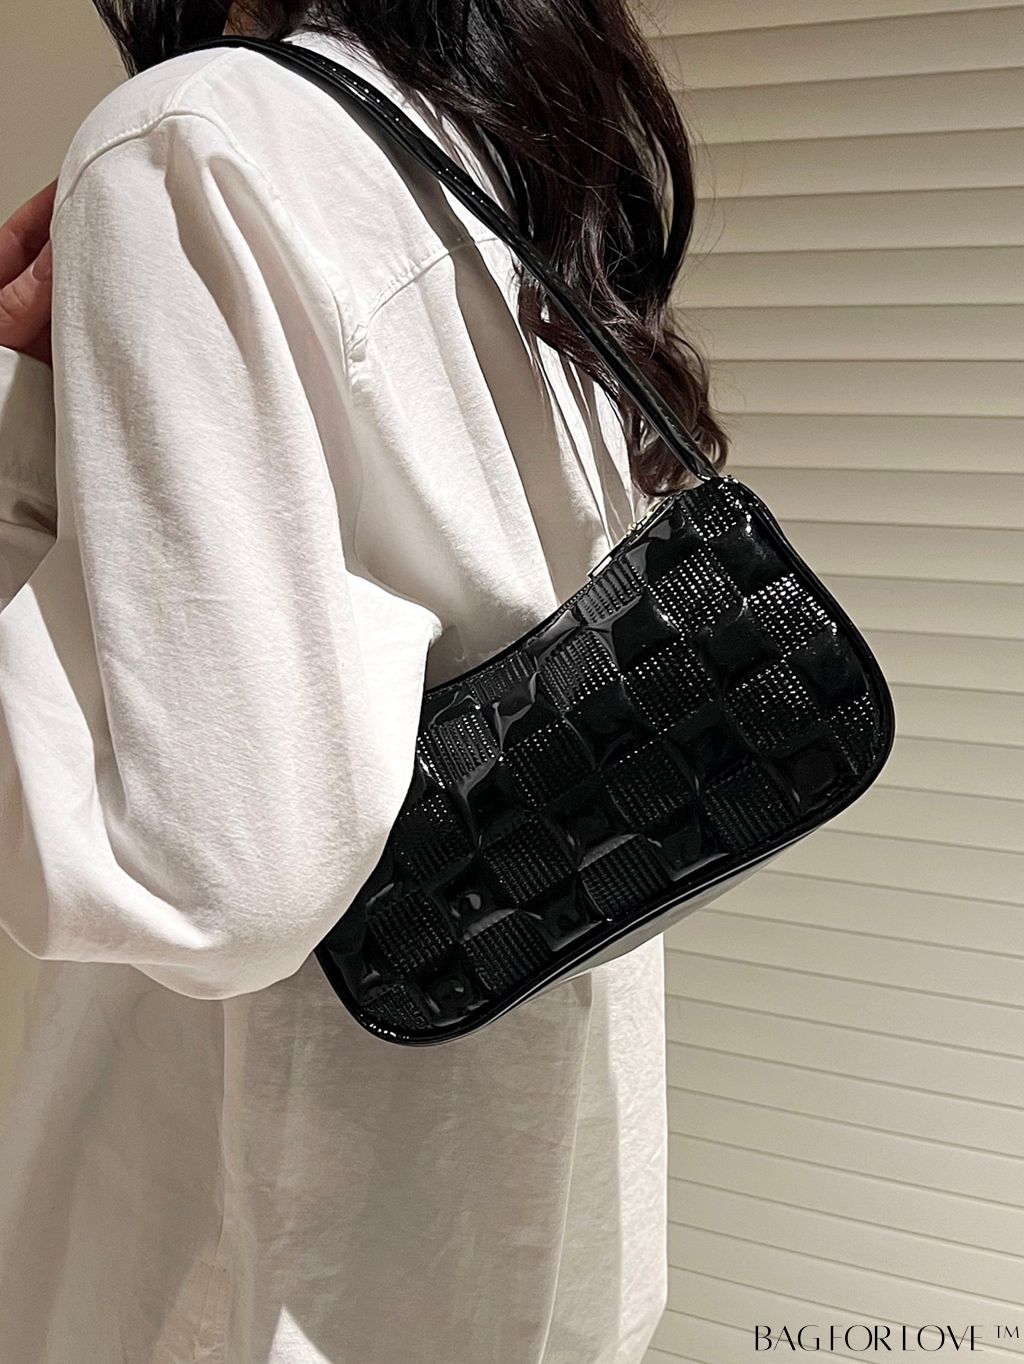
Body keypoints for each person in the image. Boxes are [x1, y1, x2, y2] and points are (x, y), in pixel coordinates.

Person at [0, 3, 728, 1360]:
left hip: (256, 1221)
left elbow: (215, 881)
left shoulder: (190, 143)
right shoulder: (500, 146)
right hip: (524, 1158)